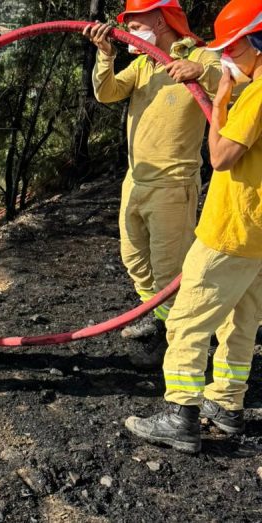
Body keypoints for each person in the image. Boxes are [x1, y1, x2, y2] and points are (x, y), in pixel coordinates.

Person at [125, 0, 262, 453]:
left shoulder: (258, 91)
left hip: (232, 225)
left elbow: (221, 155)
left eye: (233, 48)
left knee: (186, 318)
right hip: (256, 231)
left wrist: (220, 96)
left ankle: (180, 414)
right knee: (243, 318)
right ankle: (226, 406)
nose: (227, 57)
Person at [83, 0, 222, 368]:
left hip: (173, 187)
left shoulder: (202, 57)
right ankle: (164, 323)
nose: (129, 31)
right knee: (135, 261)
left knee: (170, 271)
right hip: (136, 181)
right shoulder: (144, 64)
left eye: (135, 23)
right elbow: (107, 92)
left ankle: (186, 349)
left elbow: (232, 84)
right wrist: (104, 56)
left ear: (160, 21)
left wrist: (200, 72)